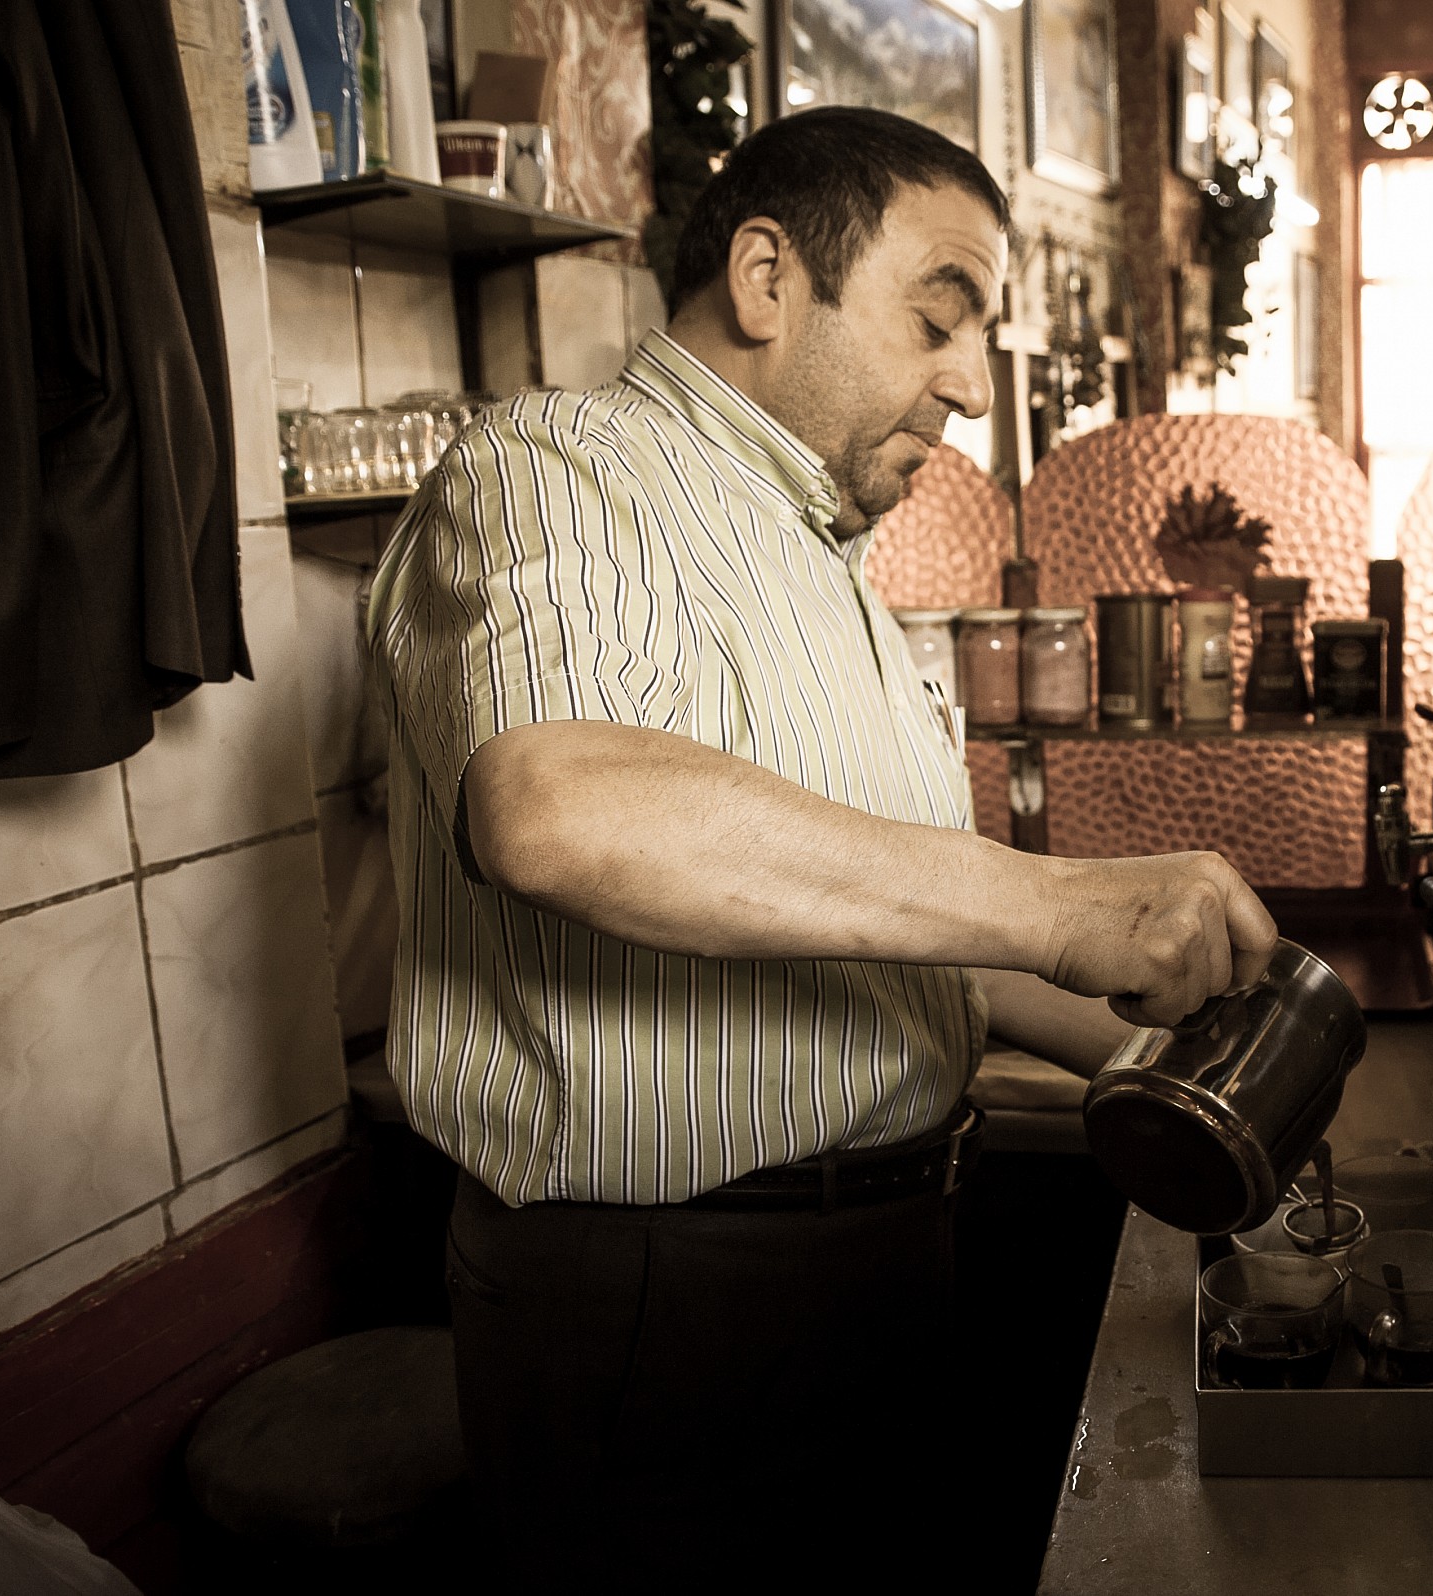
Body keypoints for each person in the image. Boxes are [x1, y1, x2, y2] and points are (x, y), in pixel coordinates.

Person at [364, 106, 1277, 1584]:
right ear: (768, 277)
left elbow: (907, 944)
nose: (970, 384)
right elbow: (562, 808)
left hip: (879, 1252)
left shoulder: (818, 557)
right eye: (938, 316)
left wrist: (1204, 1059)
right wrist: (1056, 903)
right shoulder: (562, 473)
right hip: (667, 1292)